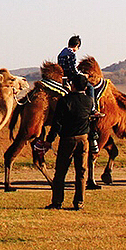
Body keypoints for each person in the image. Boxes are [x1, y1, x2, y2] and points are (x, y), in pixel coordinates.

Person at [44, 74, 95, 210]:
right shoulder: (89, 101)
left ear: (72, 85)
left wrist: (49, 140)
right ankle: (79, 202)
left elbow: (57, 123)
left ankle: (57, 202)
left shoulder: (64, 101)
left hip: (67, 139)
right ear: (85, 87)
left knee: (60, 172)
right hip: (83, 139)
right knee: (81, 172)